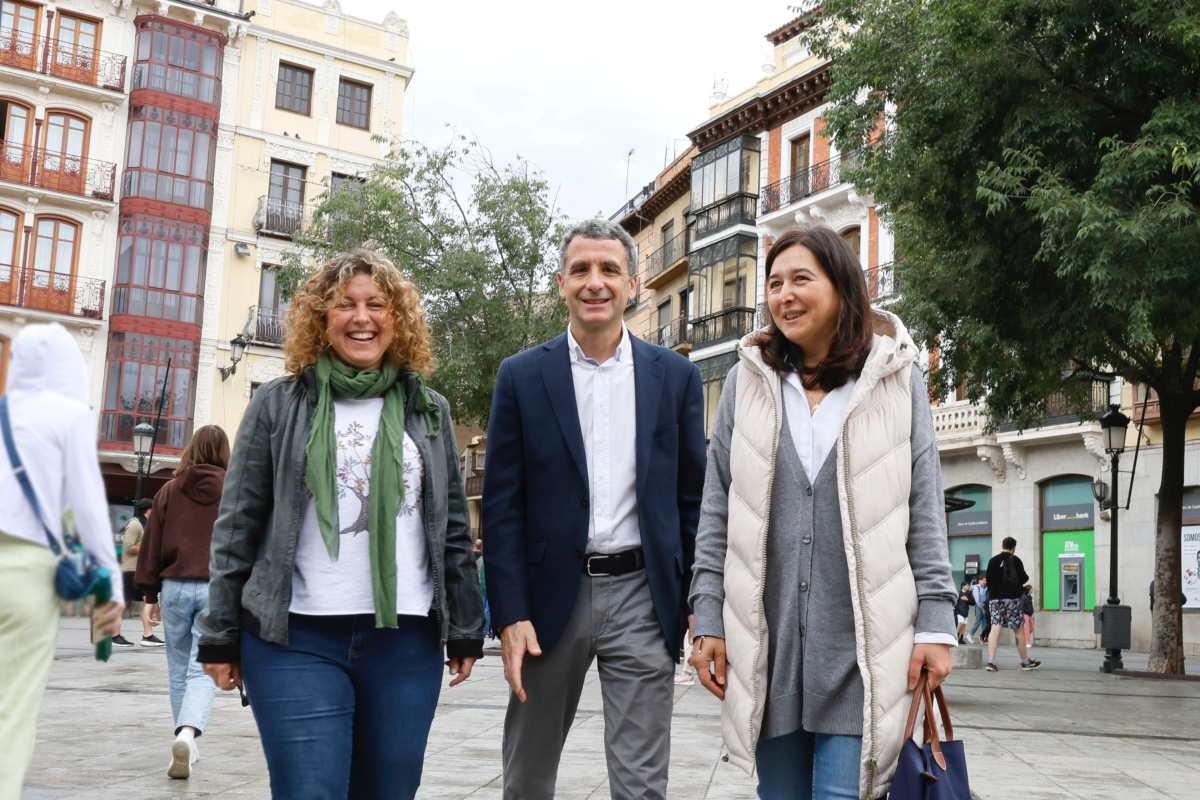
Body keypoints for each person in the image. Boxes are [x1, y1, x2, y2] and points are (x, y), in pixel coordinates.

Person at [197, 249, 484, 800]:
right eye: (344, 305)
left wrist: (466, 624)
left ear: (396, 319)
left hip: (403, 640)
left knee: (389, 790)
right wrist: (219, 636)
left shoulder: (429, 409)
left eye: (376, 304)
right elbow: (237, 526)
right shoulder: (278, 405)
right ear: (320, 318)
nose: (361, 317)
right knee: (310, 790)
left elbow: (450, 525)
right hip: (295, 638)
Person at [688, 227, 958, 800]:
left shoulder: (895, 380)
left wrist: (936, 622)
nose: (784, 294)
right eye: (775, 282)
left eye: (801, 279)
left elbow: (925, 510)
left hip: (862, 652)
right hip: (769, 646)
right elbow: (717, 507)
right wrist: (707, 614)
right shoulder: (748, 382)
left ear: (842, 287)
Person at [484, 218, 705, 799]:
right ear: (561, 282)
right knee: (527, 778)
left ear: (633, 284)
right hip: (547, 602)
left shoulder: (676, 378)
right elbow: (503, 507)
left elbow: (692, 500)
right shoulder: (521, 376)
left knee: (641, 783)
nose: (595, 282)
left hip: (642, 596)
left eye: (609, 269)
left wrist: (691, 605)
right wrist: (508, 613)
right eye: (581, 269)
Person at [0, 323, 125, 797]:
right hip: (27, 574)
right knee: (11, 711)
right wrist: (111, 588)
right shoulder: (68, 416)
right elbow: (90, 509)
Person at [136, 425, 229, 779]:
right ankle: (188, 736)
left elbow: (152, 543)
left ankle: (184, 742)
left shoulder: (169, 490)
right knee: (203, 666)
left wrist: (148, 594)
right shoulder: (233, 489)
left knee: (178, 669)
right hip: (216, 587)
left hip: (173, 586)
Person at [984, 537, 1041, 672]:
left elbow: (988, 580)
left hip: (995, 600)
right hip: (1012, 600)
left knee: (995, 628)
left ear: (1002, 545)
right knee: (1019, 630)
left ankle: (991, 662)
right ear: (1013, 548)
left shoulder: (993, 561)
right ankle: (1025, 662)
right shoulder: (1015, 560)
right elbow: (1024, 578)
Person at [113, 498, 164, 648]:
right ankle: (115, 635)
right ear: (149, 510)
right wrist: (150, 546)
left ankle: (147, 635)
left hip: (140, 570)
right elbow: (128, 547)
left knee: (146, 601)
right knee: (123, 603)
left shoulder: (145, 524)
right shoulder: (135, 524)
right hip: (130, 570)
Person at [970, 576, 990, 643]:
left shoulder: (986, 588)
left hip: (985, 606)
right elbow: (977, 601)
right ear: (979, 581)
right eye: (983, 580)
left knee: (985, 623)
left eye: (985, 581)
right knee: (978, 622)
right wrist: (983, 609)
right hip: (979, 606)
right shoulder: (976, 588)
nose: (985, 582)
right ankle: (969, 635)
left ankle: (982, 637)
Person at [1020, 584, 1035, 651]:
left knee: (1031, 628)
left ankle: (1023, 638)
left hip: (1030, 614)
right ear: (1028, 590)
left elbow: (1031, 606)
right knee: (1027, 628)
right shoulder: (1024, 597)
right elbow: (1022, 606)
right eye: (1031, 589)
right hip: (1025, 614)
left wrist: (1032, 612)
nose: (1032, 590)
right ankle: (1027, 642)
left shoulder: (1030, 597)